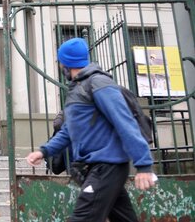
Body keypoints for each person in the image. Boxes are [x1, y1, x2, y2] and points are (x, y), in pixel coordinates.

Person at [26, 37, 156, 222]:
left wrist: (143, 164)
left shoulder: (99, 84)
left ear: (66, 63)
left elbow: (124, 122)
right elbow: (68, 130)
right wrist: (44, 151)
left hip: (107, 167)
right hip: (96, 167)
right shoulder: (77, 89)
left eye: (60, 61)